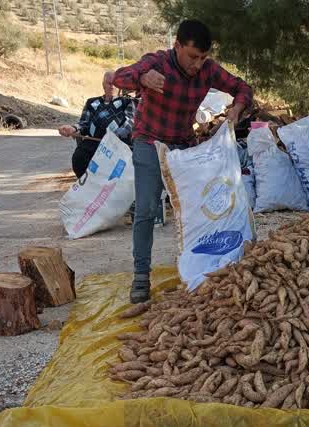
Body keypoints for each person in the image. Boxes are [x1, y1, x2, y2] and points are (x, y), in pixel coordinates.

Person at [106, 19, 254, 303]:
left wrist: (237, 108)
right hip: (149, 141)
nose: (197, 64)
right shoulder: (157, 62)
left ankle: (203, 267)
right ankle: (141, 277)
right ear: (177, 46)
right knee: (147, 208)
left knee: (199, 208)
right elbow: (120, 77)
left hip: (183, 145)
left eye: (203, 58)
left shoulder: (207, 70)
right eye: (192, 57)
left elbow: (242, 87)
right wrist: (143, 78)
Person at [58, 74, 136, 178]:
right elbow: (84, 123)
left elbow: (130, 122)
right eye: (109, 83)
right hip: (94, 141)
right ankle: (87, 184)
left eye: (115, 83)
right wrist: (73, 128)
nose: (112, 86)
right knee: (79, 158)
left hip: (117, 143)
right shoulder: (92, 102)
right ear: (103, 85)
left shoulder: (127, 102)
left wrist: (114, 137)